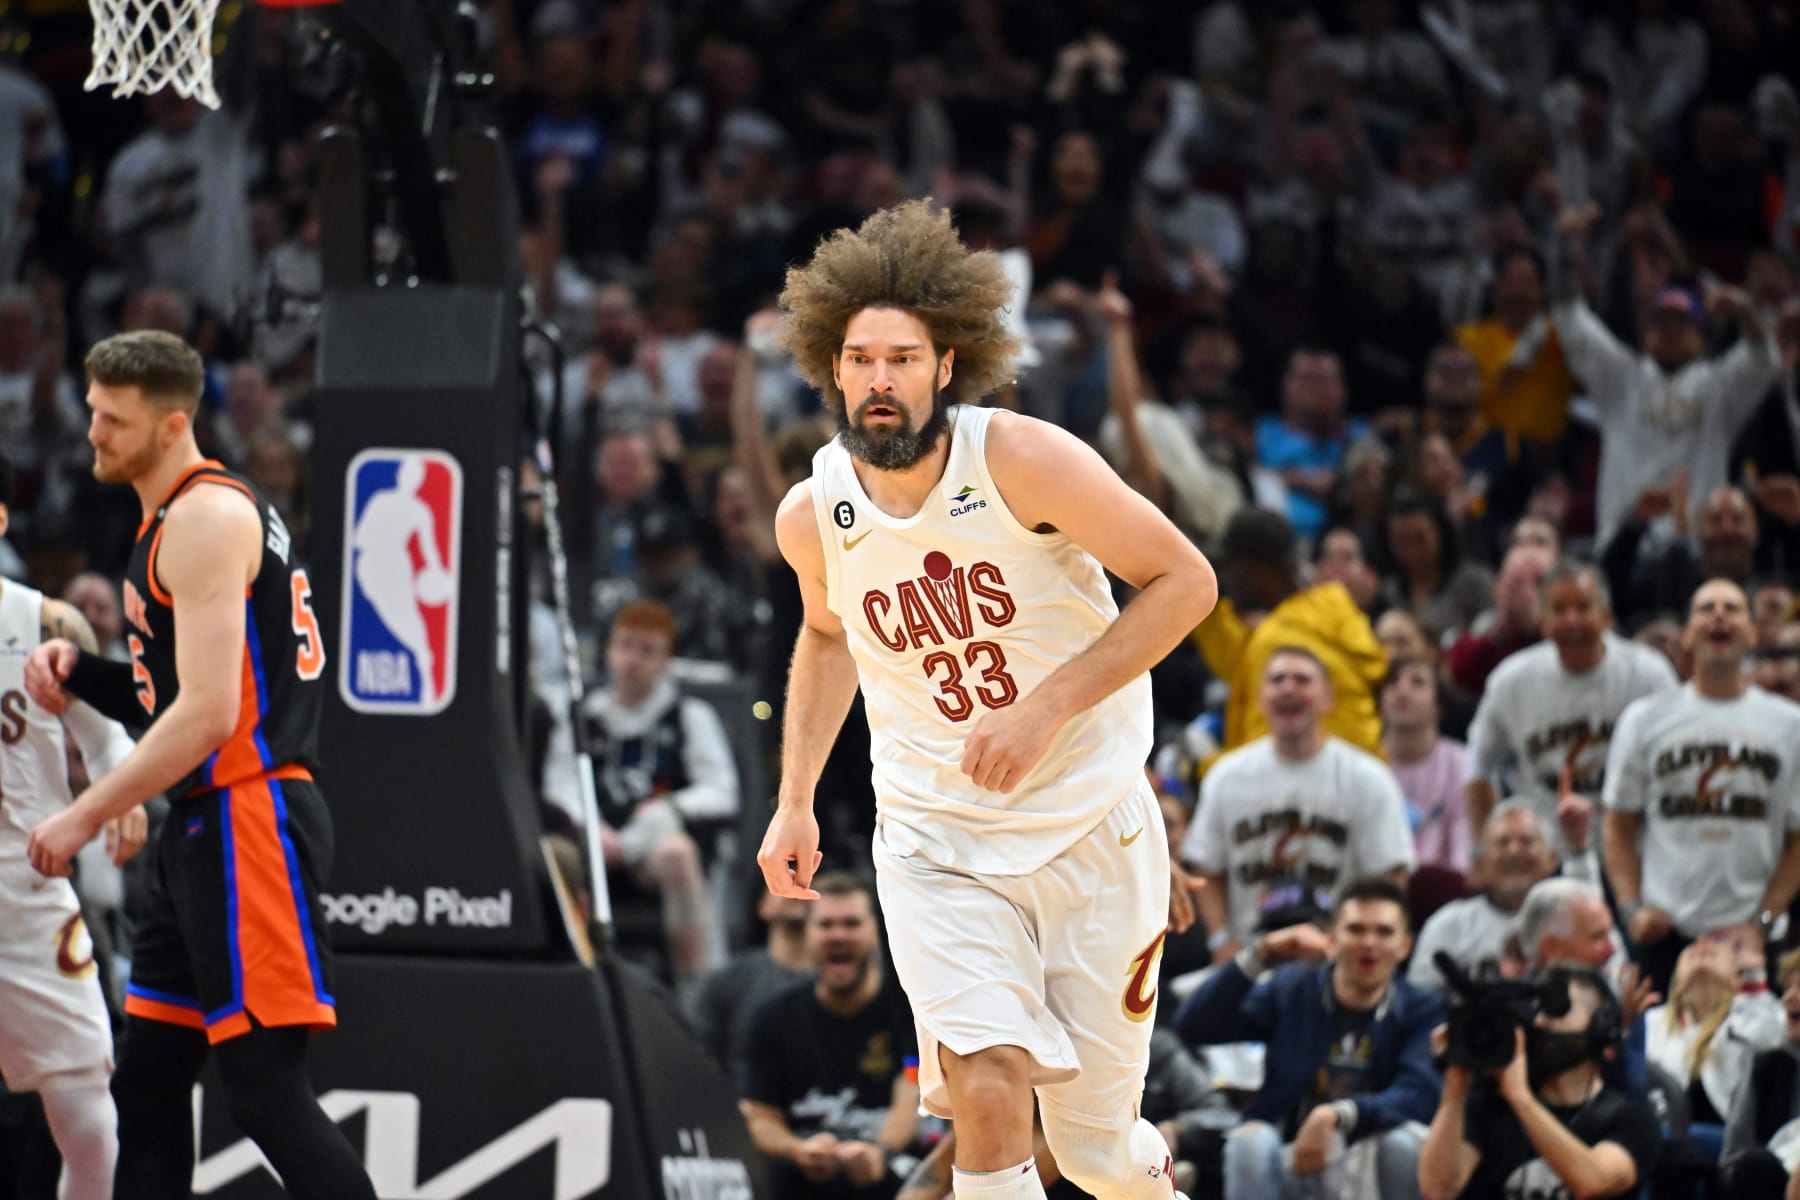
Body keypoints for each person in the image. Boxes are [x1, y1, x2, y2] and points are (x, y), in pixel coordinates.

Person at [756, 201, 1218, 1200]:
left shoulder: (1020, 459)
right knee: (989, 1093)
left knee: (1098, 1156)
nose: (881, 380)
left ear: (946, 367)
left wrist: (1047, 705)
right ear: (832, 370)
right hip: (937, 843)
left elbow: (1187, 582)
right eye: (861, 358)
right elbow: (829, 636)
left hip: (1090, 823)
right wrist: (795, 797)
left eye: (904, 359)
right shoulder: (813, 514)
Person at [22, 331, 375, 1199]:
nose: (93, 433)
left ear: (172, 424)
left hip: (248, 816)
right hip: (199, 825)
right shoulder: (168, 523)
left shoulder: (206, 517)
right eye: (94, 412)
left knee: (264, 1095)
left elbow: (213, 715)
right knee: (146, 1089)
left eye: (114, 419)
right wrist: (89, 675)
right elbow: (176, 693)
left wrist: (84, 813)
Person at [0, 453, 142, 1200]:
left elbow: (106, 738)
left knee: (90, 1125)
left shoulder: (45, 621)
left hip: (27, 895)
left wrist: (120, 794)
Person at [1173, 877, 1443, 1200]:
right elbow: (1194, 1025)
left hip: (1369, 1158)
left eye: (1384, 932)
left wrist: (1339, 1113)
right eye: (1356, 929)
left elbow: (1419, 1094)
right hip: (1290, 1157)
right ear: (1331, 938)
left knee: (1402, 1143)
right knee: (1250, 1141)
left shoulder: (1422, 1009)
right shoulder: (1293, 989)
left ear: (1405, 946)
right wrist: (1259, 955)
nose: (1369, 942)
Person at [1602, 578, 1800, 994]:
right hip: (1665, 934)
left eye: (1732, 608)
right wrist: (1631, 908)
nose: (1719, 615)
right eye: (1706, 608)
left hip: (1752, 936)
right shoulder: (1644, 719)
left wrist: (1763, 922)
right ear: (1687, 635)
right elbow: (1617, 825)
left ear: (1752, 632)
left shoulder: (1790, 725)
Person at [1184, 646, 1415, 961]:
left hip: (1335, 957)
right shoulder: (1225, 776)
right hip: (1250, 955)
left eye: (1302, 679)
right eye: (1277, 680)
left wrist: (1358, 945)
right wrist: (1221, 940)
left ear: (1328, 697)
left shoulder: (1369, 778)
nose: (1288, 688)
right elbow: (1206, 869)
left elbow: (1389, 875)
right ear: (1260, 698)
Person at [1464, 559, 1677, 861]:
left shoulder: (1649, 675)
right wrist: (1480, 849)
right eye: (1560, 610)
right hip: (1544, 858)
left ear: (1607, 615)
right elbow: (1477, 764)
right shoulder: (1511, 681)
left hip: (1634, 852)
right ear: (1542, 620)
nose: (1572, 621)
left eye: (1583, 607)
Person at [580, 597, 739, 984]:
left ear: (666, 659)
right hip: (594, 842)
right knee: (556, 853)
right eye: (625, 646)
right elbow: (560, 785)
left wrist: (667, 809)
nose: (633, 660)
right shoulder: (584, 716)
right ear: (608, 651)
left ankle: (697, 987)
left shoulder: (690, 716)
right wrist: (589, 826)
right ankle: (574, 977)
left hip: (651, 847)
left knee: (677, 853)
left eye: (647, 650)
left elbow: (722, 792)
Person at [740, 874, 922, 1200]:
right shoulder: (771, 1019)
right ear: (806, 934)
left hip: (890, 1177)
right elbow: (759, 1115)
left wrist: (878, 1152)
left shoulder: (909, 1013)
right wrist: (798, 1149)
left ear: (876, 934)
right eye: (825, 924)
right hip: (801, 1183)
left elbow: (911, 1091)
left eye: (851, 923)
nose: (838, 935)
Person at [1417, 966, 1661, 1200]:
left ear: (1602, 1031)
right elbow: (1438, 1190)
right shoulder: (1491, 1101)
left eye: (1558, 1009)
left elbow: (1591, 1182)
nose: (1542, 1022)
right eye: (1540, 1010)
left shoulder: (1633, 1120)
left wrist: (1521, 1098)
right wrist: (1456, 1087)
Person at [1192, 505, 1389, 759]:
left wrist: (1202, 765)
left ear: (1259, 570)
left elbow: (1264, 760)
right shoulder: (1332, 604)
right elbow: (1238, 660)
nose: (1227, 579)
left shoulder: (1274, 640)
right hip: (1369, 777)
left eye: (1231, 567)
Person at [1409, 801, 1596, 995]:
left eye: (1526, 841)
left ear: (1552, 859)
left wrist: (1578, 849)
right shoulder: (1448, 925)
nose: (1514, 851)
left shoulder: (1573, 917)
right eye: (1502, 842)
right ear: (1481, 862)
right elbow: (1420, 1003)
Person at [1719, 948, 1800, 1198]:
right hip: (1772, 1185)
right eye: (1788, 986)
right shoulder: (1767, 1064)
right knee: (1754, 1167)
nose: (1789, 997)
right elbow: (1733, 1158)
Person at [1380, 656, 1470, 874]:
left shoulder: (1463, 763)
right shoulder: (1364, 764)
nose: (1402, 691)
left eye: (1417, 682)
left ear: (1439, 706)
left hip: (1446, 889)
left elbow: (1465, 852)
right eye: (1392, 682)